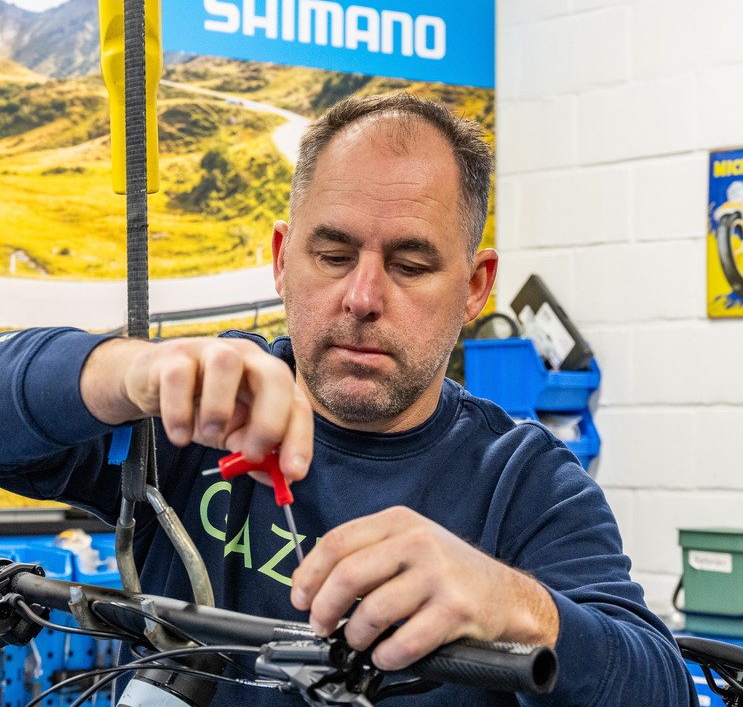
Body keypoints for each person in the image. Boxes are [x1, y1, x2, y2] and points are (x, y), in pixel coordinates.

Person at [0, 92, 696, 706]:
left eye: (410, 265)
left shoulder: (525, 483)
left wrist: (516, 606)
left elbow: (661, 688)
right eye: (332, 257)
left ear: (474, 287)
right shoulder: (194, 413)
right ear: (282, 260)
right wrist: (122, 371)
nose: (362, 298)